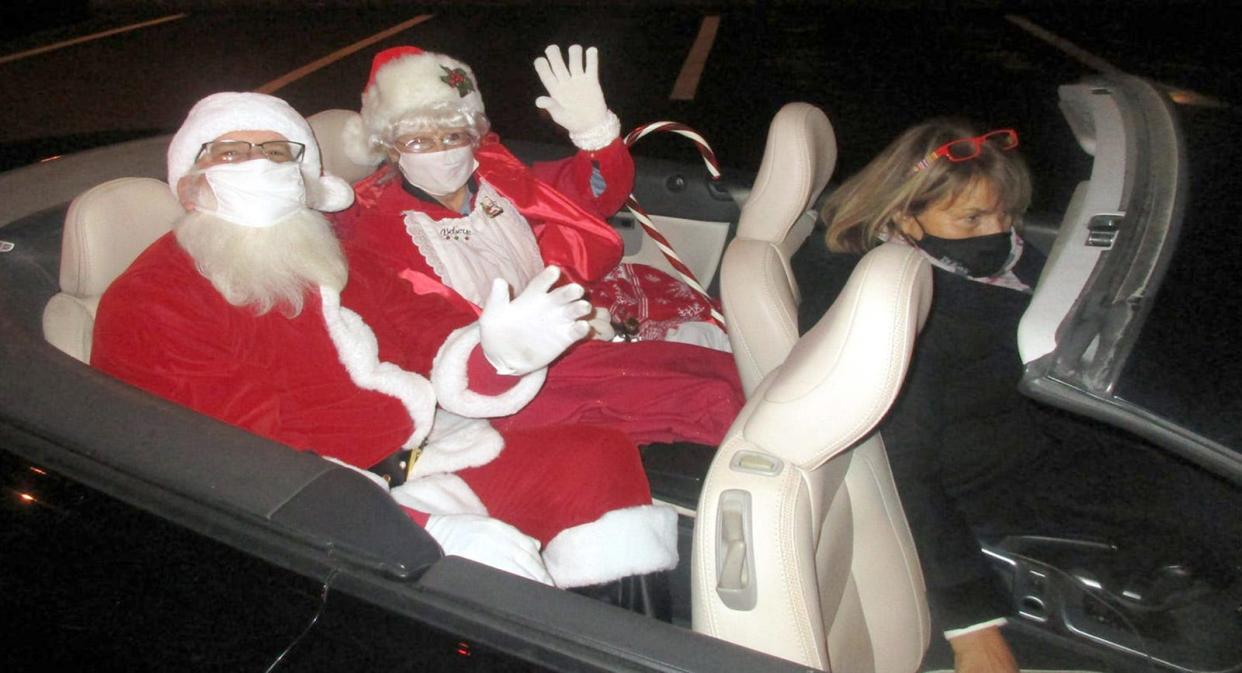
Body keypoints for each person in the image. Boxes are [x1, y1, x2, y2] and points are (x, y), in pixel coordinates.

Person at [91, 91, 679, 591]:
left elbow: (424, 331)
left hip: (421, 452)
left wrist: (499, 356)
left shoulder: (332, 250)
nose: (258, 165)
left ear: (304, 178)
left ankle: (620, 628)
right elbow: (237, 464)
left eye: (276, 151)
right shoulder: (151, 299)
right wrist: (417, 526)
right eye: (231, 153)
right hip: (316, 505)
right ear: (192, 184)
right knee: (489, 563)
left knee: (598, 456)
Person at [332, 44, 743, 448]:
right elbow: (415, 330)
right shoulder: (376, 226)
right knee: (706, 392)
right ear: (388, 147)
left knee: (727, 340)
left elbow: (587, 195)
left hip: (573, 304)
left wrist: (594, 136)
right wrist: (503, 351)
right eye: (419, 141)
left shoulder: (494, 175)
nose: (442, 152)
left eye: (453, 135)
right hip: (512, 365)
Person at [792, 119, 1034, 673]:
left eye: (1006, 215)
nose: (998, 233)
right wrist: (973, 626)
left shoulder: (974, 258)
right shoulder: (899, 309)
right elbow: (903, 465)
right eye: (972, 218)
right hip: (980, 497)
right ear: (906, 218)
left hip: (1014, 445)